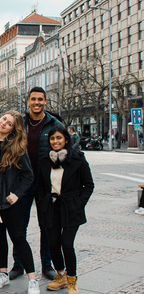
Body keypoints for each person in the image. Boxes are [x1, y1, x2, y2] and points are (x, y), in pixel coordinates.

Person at [10, 87, 61, 281]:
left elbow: (68, 145)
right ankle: (18, 264)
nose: (37, 103)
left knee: (46, 226)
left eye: (40, 100)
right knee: (19, 226)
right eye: (33, 99)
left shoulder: (54, 123)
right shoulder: (20, 123)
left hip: (45, 182)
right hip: (23, 182)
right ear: (28, 101)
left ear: (45, 101)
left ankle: (46, 265)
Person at [0, 111, 40, 294]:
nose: (3, 123)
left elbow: (28, 175)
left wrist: (17, 194)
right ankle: (2, 273)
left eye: (9, 123)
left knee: (18, 237)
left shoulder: (17, 147)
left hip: (10, 202)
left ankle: (32, 279)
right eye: (3, 119)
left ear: (13, 129)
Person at [37, 126, 94, 294]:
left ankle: (72, 281)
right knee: (53, 244)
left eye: (59, 138)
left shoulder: (78, 159)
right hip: (52, 207)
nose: (55, 141)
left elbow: (89, 185)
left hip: (71, 208)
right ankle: (61, 275)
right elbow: (40, 187)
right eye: (52, 139)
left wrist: (79, 202)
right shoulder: (44, 160)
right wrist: (43, 202)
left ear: (66, 140)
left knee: (67, 244)